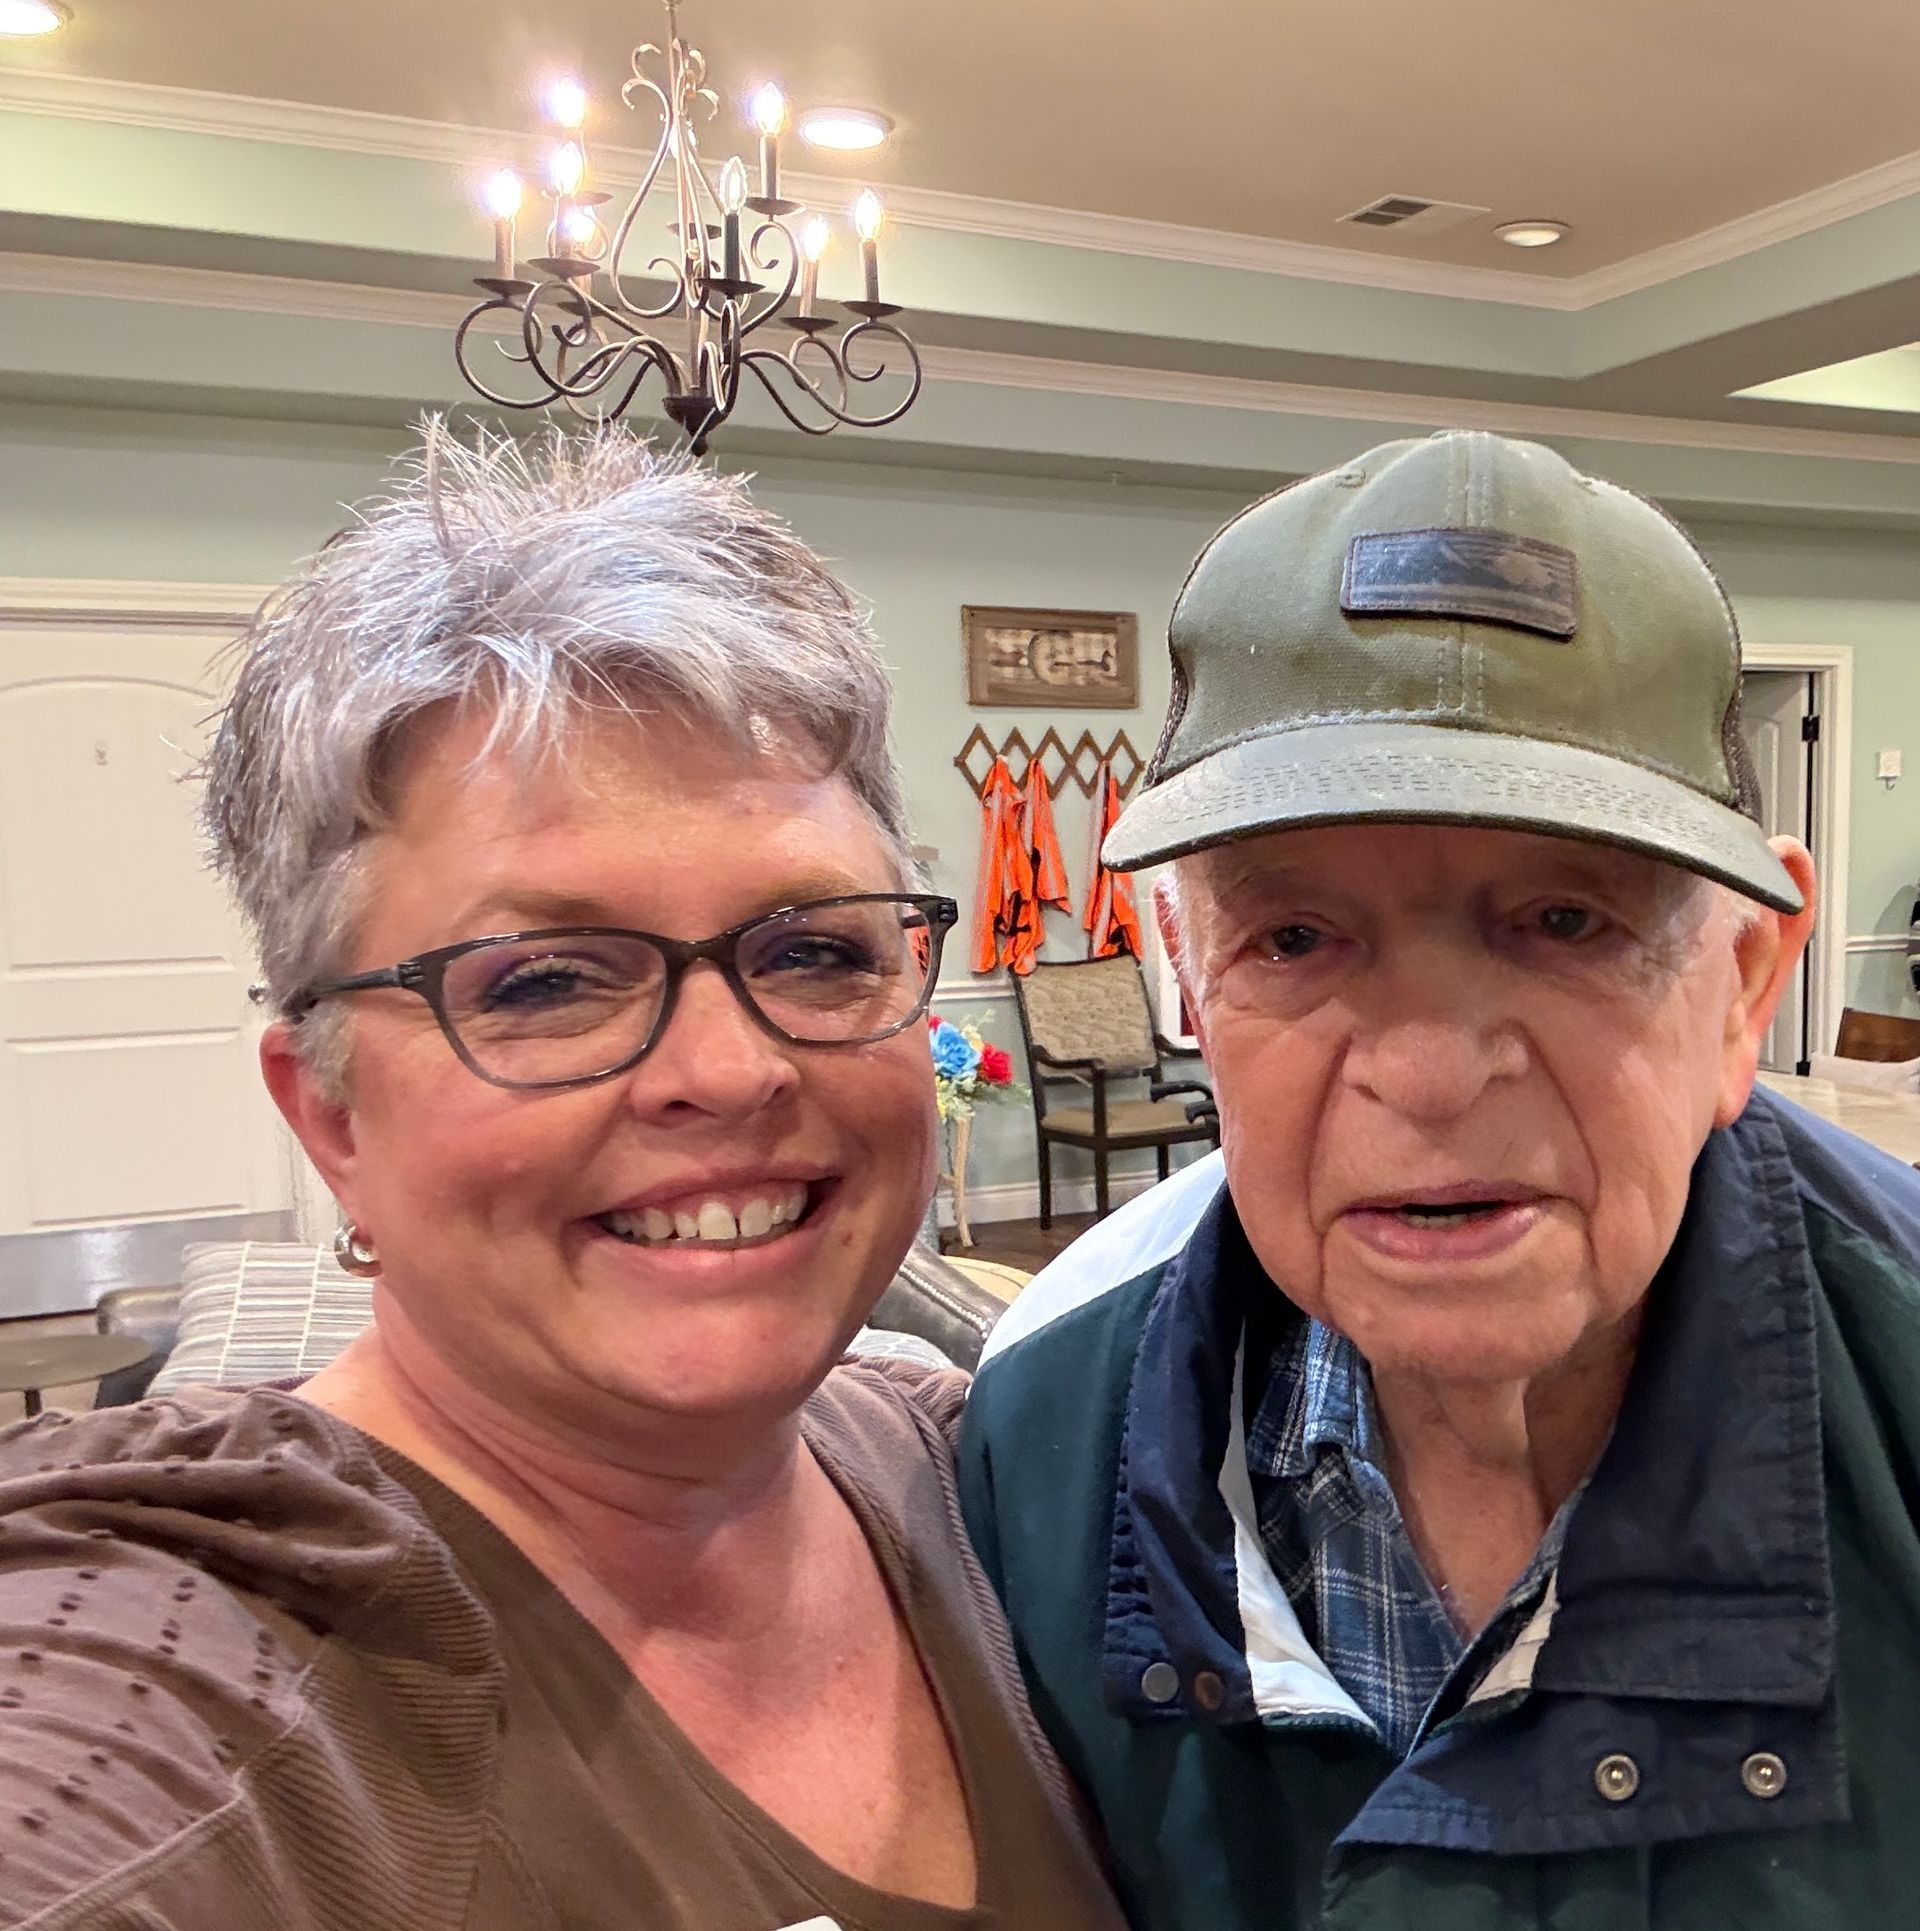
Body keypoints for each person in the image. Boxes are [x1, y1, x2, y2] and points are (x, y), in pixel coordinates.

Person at [0, 426, 1126, 1931]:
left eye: (814, 950)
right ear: (328, 1118)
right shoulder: (191, 1672)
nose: (728, 1072)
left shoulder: (977, 1477)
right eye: (543, 982)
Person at [958, 430, 1920, 1929]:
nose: (1427, 1071)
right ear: (1190, 988)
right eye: (1292, 939)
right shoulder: (1041, 1430)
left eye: (1563, 919)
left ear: (1743, 986)